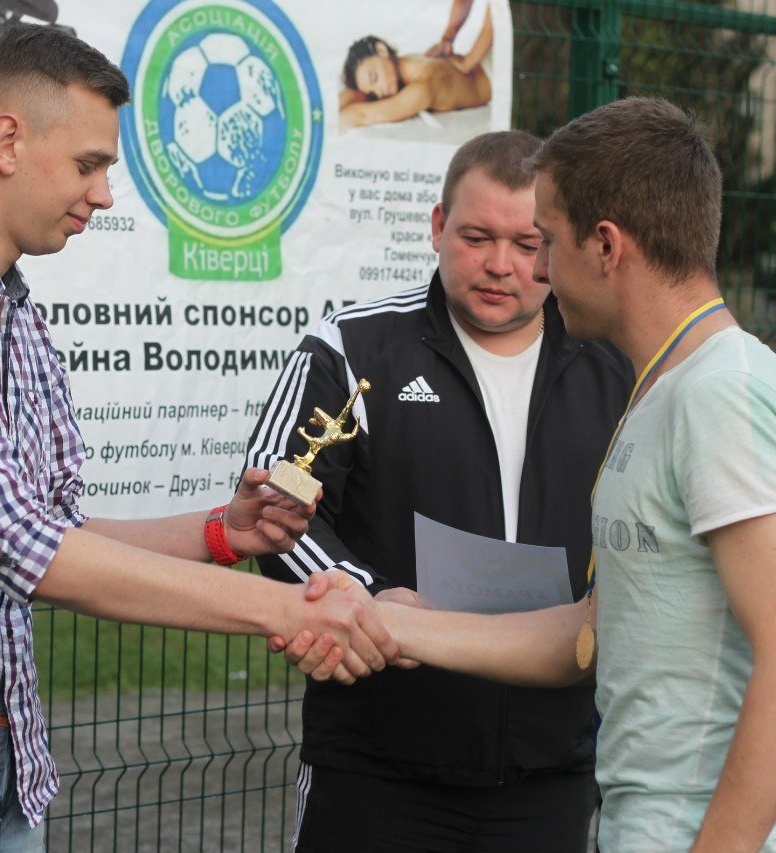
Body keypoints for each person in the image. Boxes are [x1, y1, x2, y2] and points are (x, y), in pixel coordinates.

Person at [0, 24, 396, 851]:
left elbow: (53, 528)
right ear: (7, 142)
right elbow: (21, 544)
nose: (104, 194)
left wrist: (220, 534)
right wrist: (289, 607)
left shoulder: (16, 318)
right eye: (89, 164)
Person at [295, 97, 776, 852]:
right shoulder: (663, 388)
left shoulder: (723, 396)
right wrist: (383, 619)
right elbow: (590, 630)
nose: (535, 269)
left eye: (546, 241)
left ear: (606, 246)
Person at [246, 131, 632, 852]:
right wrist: (369, 600)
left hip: (553, 765)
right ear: (437, 226)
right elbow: (275, 511)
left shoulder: (615, 365)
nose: (500, 265)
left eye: (528, 244)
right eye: (476, 237)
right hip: (377, 761)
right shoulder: (350, 349)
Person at [338, 6, 493, 132]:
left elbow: (361, 115)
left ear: (381, 50)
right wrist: (448, 39)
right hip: (489, 58)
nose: (379, 93)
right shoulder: (415, 61)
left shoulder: (422, 88)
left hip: (498, 72)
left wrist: (467, 62)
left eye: (374, 78)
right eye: (372, 93)